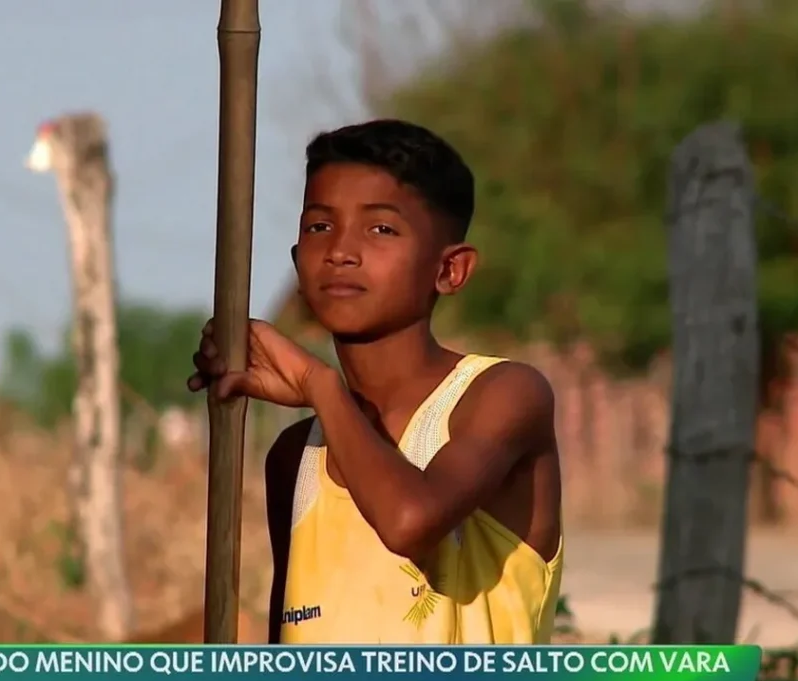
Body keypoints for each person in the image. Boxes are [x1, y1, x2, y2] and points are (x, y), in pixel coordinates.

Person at [187, 119, 563, 645]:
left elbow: (410, 522)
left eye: (381, 229)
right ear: (298, 263)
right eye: (320, 227)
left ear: (450, 270)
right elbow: (284, 668)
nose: (341, 251)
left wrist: (319, 384)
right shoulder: (295, 459)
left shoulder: (502, 394)